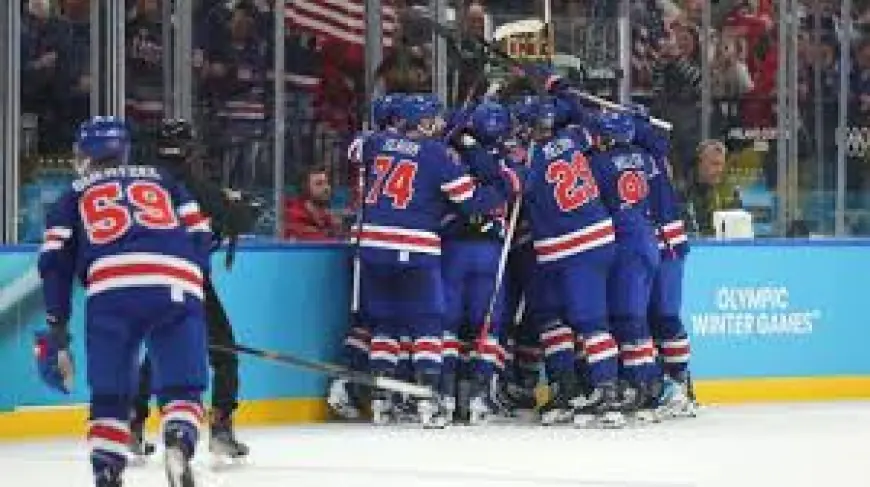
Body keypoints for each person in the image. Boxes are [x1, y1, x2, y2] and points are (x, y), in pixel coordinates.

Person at [34, 116, 212, 486]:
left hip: (111, 288)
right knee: (182, 387)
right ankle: (178, 442)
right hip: (175, 280)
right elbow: (200, 232)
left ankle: (107, 471)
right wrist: (191, 286)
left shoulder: (72, 195)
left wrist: (57, 327)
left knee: (110, 395)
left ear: (86, 154)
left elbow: (54, 263)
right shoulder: (163, 179)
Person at [358, 93, 520, 428]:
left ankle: (382, 397)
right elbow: (472, 202)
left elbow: (357, 148)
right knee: (428, 323)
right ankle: (428, 396)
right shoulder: (436, 155)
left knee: (386, 323)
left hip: (372, 246)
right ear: (423, 123)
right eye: (434, 118)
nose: (439, 123)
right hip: (415, 246)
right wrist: (504, 189)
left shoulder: (377, 143)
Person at [129, 118, 255, 461]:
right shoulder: (197, 188)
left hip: (147, 280)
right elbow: (238, 219)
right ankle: (222, 428)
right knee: (224, 353)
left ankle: (132, 423)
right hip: (187, 281)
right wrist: (242, 207)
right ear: (189, 150)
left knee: (158, 351)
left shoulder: (141, 187)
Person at [683, 139, 743, 236]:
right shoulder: (683, 191)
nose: (720, 170)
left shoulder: (731, 191)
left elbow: (736, 228)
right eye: (715, 164)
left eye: (722, 165)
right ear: (700, 163)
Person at [283, 165, 343, 241]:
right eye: (319, 184)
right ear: (305, 189)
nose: (326, 188)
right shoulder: (294, 216)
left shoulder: (326, 217)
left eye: (327, 183)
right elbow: (321, 243)